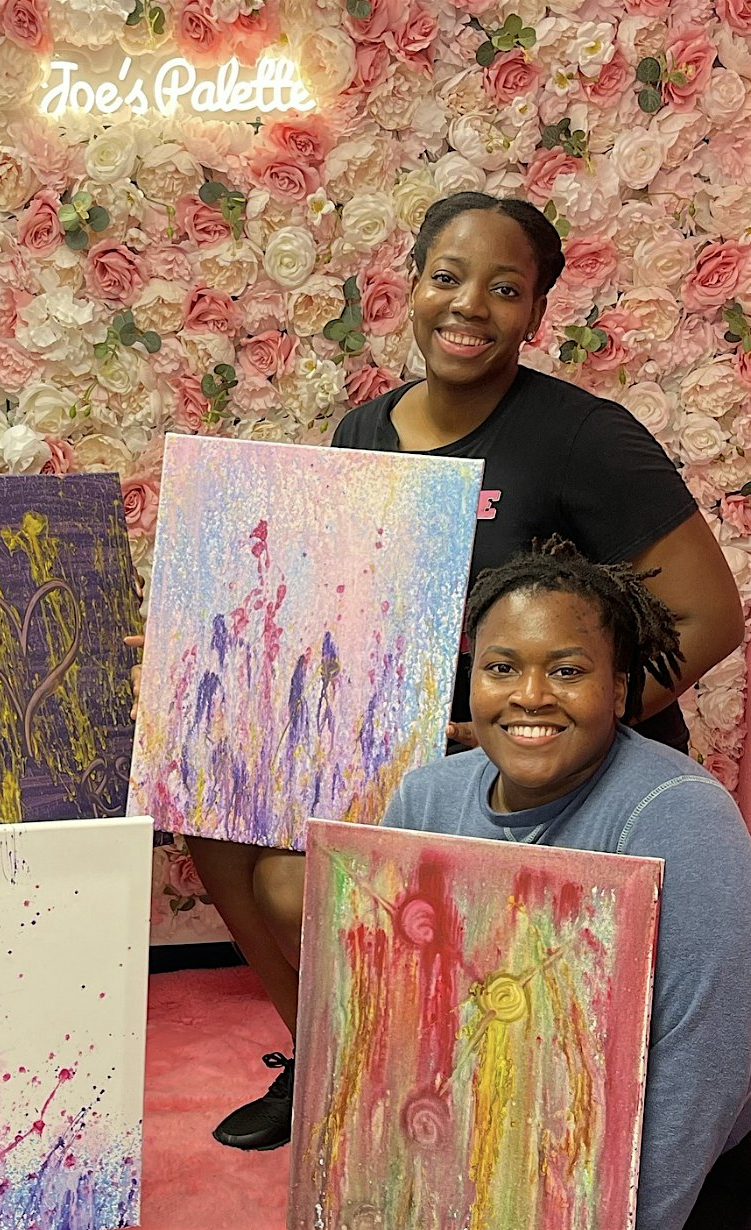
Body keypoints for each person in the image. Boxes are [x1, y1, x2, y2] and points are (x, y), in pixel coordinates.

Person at [188, 192, 744, 1152]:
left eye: (505, 288)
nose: (470, 306)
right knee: (216, 827)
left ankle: (440, 1066)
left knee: (306, 886)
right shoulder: (363, 433)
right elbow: (347, 620)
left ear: (537, 312)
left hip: (542, 770)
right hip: (415, 762)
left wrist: (571, 730)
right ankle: (326, 1059)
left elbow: (713, 618)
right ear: (412, 285)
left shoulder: (584, 437)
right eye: (447, 277)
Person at [379, 539, 751, 1230]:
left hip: (653, 1169)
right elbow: (399, 1017)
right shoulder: (425, 798)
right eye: (501, 668)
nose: (530, 695)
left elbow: (706, 1068)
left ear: (618, 689)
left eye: (567, 670)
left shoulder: (678, 816)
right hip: (485, 1134)